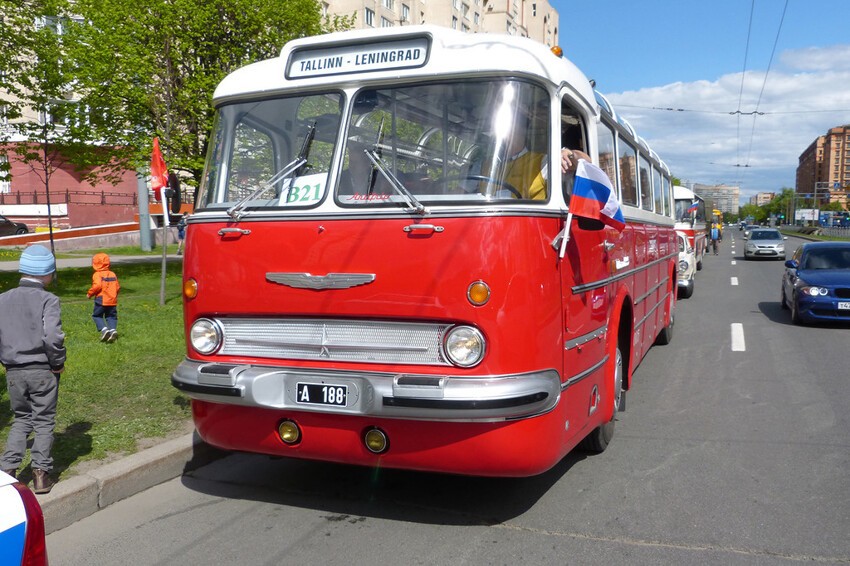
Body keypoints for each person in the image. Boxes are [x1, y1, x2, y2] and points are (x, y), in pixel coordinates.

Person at [0, 245, 66, 494]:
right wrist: (57, 362)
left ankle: (8, 470)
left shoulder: (2, 299)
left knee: (21, 419)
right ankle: (40, 473)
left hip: (14, 370)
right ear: (46, 274)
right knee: (44, 420)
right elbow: (52, 336)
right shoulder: (49, 299)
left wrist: (6, 362)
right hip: (43, 369)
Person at [87, 252, 121, 342]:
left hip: (101, 299)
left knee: (97, 316)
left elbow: (97, 286)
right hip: (112, 299)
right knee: (111, 316)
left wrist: (90, 293)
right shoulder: (112, 274)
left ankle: (104, 330)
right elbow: (117, 287)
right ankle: (113, 330)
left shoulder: (97, 274)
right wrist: (114, 295)